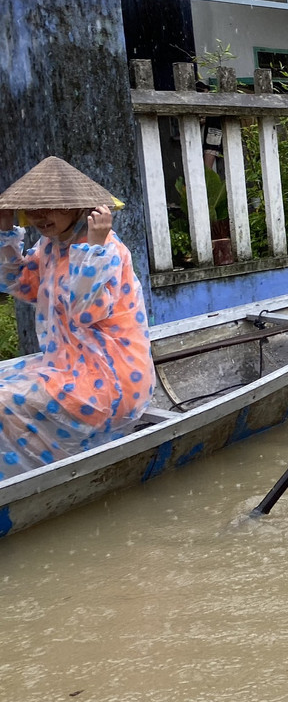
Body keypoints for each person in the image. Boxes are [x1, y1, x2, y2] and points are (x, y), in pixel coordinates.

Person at [0, 157, 155, 479]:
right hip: (64, 363)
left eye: (50, 208)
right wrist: (4, 229)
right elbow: (21, 284)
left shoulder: (108, 250)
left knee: (3, 403)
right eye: (32, 210)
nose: (39, 217)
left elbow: (86, 312)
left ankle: (36, 477)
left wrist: (95, 248)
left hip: (109, 374)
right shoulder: (51, 246)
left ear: (77, 208)